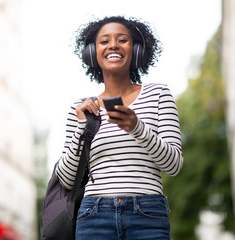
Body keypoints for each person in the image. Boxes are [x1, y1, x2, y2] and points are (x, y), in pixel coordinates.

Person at [56, 16, 183, 240]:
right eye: (104, 41)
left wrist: (137, 127)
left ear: (136, 50)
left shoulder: (159, 94)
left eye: (122, 39)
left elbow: (174, 165)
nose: (113, 45)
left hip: (148, 214)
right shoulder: (80, 108)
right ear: (92, 53)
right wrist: (82, 128)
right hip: (94, 215)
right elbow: (67, 179)